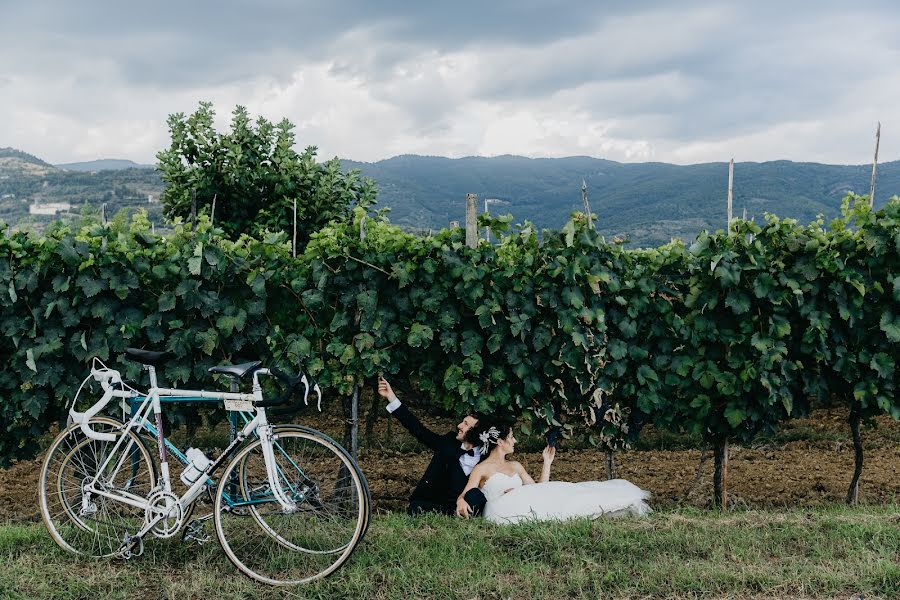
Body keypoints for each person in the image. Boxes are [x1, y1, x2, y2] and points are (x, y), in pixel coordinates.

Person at [457, 421, 651, 524]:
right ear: (500, 442)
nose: (515, 441)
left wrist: (547, 463)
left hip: (527, 501)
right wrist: (460, 501)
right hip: (501, 510)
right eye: (512, 437)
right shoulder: (482, 469)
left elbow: (539, 489)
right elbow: (466, 493)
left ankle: (610, 506)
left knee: (569, 494)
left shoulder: (515, 466)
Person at [377, 377, 488, 516]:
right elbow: (418, 429)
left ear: (476, 433)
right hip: (435, 505)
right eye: (462, 422)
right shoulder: (448, 442)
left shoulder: (486, 455)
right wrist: (391, 397)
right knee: (417, 509)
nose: (459, 426)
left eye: (466, 424)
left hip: (464, 507)